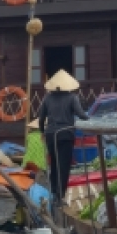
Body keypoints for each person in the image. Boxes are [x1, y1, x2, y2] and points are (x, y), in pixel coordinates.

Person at [38, 70, 89, 203]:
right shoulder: (72, 97)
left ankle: (54, 192)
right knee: (64, 165)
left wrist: (42, 132)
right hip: (66, 134)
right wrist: (91, 118)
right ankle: (60, 196)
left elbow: (41, 118)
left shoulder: (47, 98)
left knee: (54, 163)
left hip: (51, 135)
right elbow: (81, 114)